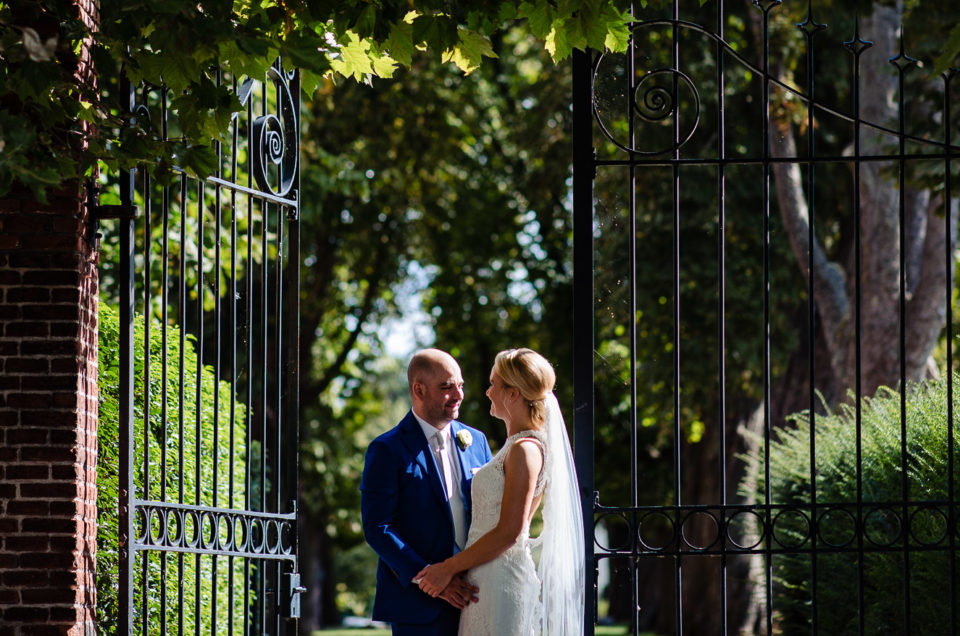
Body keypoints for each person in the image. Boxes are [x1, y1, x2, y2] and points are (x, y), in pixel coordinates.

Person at [414, 348, 585, 635]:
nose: (487, 391)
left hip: (500, 579)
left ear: (513, 394)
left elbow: (511, 531)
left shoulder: (525, 450)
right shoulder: (514, 446)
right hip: (485, 577)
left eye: (494, 384)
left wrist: (447, 568)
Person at [361, 348, 495, 635]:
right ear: (418, 389)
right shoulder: (386, 449)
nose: (458, 395)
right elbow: (378, 528)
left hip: (479, 593)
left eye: (460, 385)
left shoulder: (477, 442)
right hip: (418, 606)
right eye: (446, 387)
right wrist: (430, 578)